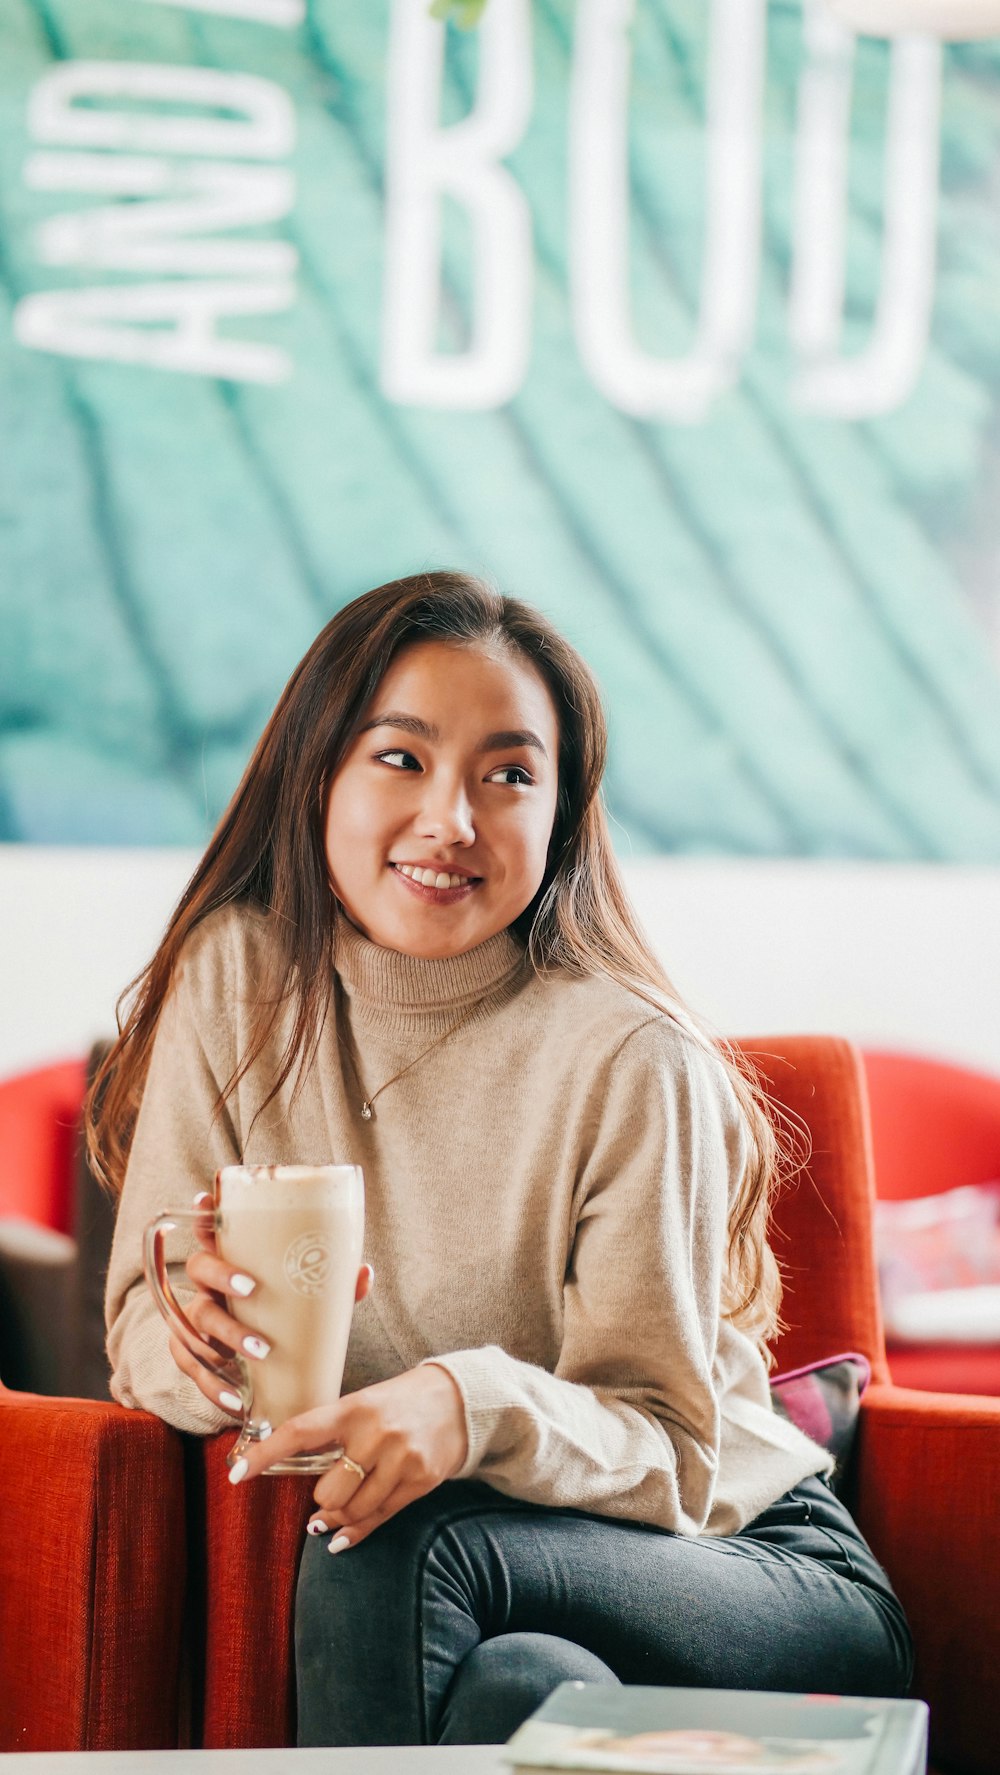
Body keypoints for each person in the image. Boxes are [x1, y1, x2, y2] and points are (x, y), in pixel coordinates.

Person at [94, 571, 912, 1748]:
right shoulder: (238, 983)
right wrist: (210, 1343)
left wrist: (465, 1402)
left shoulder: (628, 1054)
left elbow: (678, 1454)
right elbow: (139, 1344)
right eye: (401, 758)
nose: (452, 819)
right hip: (490, 1595)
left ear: (562, 814)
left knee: (386, 1544)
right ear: (315, 770)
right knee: (515, 1687)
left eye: (509, 774)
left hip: (747, 1567)